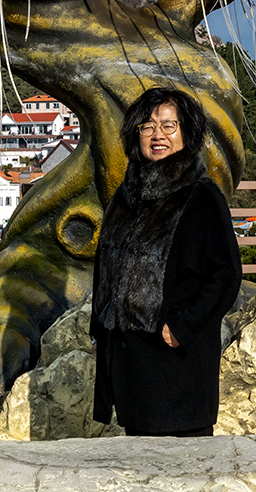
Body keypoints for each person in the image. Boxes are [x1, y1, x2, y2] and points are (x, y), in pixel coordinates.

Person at [91, 86, 242, 438]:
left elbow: (226, 274)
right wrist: (100, 329)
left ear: (186, 134)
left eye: (169, 126)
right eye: (148, 126)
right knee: (139, 456)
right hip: (130, 363)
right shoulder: (124, 197)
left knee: (186, 462)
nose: (157, 135)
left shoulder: (201, 195)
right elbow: (105, 269)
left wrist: (181, 328)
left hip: (176, 363)